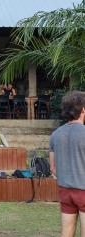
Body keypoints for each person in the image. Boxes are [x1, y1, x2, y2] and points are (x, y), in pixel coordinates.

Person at [49, 91, 85, 237]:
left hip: (65, 191)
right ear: (83, 110)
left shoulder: (55, 134)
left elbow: (53, 168)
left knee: (66, 233)